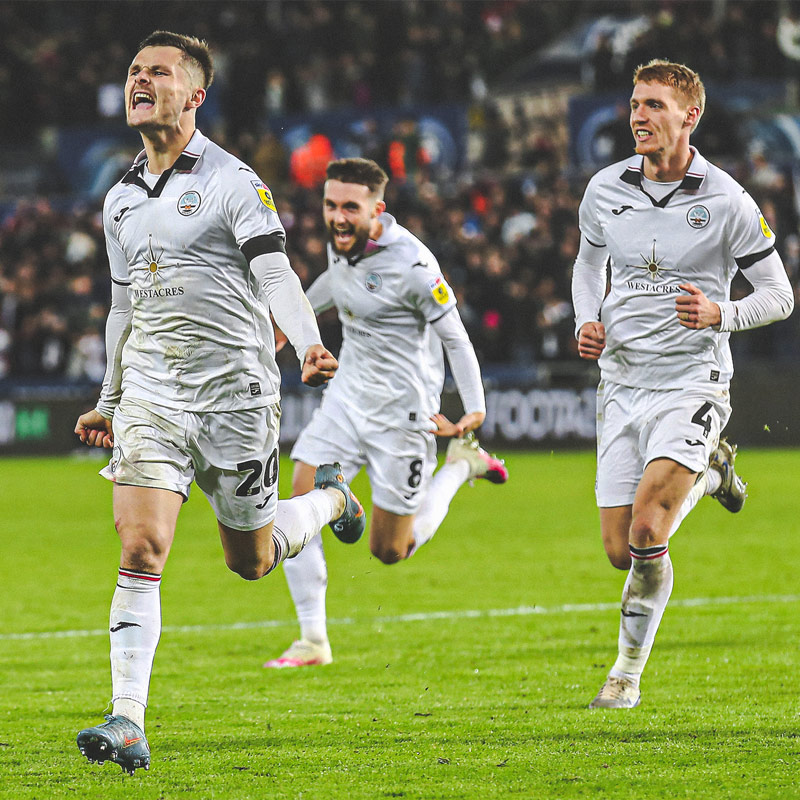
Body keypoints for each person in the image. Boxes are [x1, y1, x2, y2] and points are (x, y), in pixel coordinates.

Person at [72, 31, 366, 774]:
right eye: (134, 70)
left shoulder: (236, 183)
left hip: (236, 395)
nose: (141, 80)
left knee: (253, 559)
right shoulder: (118, 199)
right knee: (140, 546)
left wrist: (306, 344)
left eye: (159, 72)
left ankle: (330, 502)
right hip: (153, 392)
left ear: (195, 94)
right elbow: (120, 309)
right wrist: (108, 399)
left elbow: (275, 275)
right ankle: (128, 719)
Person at [572, 59, 794, 709]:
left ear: (689, 116)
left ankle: (625, 677)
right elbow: (587, 265)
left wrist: (720, 313)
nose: (638, 116)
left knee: (647, 529)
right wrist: (589, 317)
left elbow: (779, 295)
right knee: (620, 551)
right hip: (621, 384)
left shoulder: (727, 200)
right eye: (634, 104)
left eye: (653, 105)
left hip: (690, 381)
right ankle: (712, 475)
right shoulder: (604, 189)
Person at [264, 157, 508, 669]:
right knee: (298, 497)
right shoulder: (343, 244)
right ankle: (313, 639)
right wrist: (292, 322)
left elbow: (456, 339)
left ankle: (463, 465)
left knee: (389, 551)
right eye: (331, 205)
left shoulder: (414, 266)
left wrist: (474, 406)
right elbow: (337, 283)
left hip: (403, 418)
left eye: (350, 207)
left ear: (378, 209)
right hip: (348, 400)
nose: (337, 217)